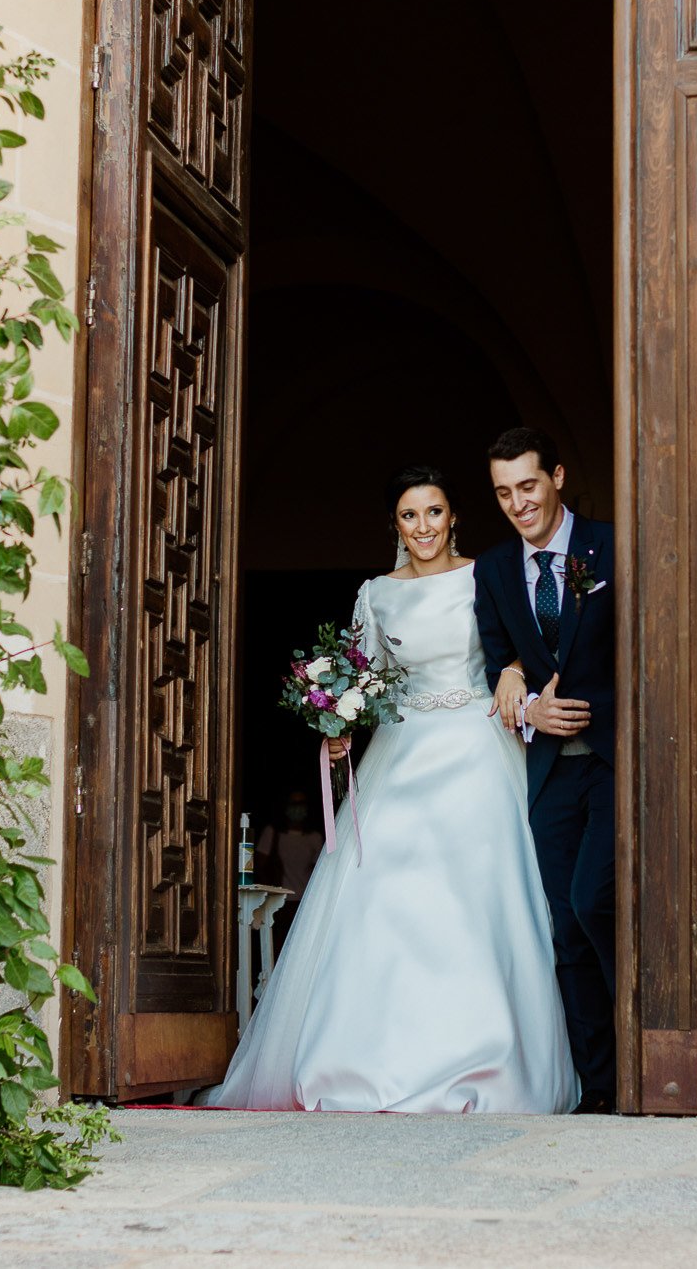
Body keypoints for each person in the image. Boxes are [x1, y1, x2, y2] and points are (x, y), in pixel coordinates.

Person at [202, 466, 577, 1113]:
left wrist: (515, 670)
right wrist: (340, 723)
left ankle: (488, 1060)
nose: (424, 526)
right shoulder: (375, 593)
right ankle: (367, 1059)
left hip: (477, 744)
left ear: (453, 515)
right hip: (402, 751)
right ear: (395, 525)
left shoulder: (485, 573)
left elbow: (524, 643)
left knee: (477, 897)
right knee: (388, 891)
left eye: (434, 511)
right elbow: (365, 677)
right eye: (410, 515)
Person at [474, 427, 618, 1113]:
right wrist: (530, 708)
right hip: (550, 771)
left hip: (616, 757)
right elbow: (498, 661)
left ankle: (646, 1053)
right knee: (564, 928)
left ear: (556, 475)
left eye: (527, 486)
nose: (518, 503)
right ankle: (604, 1087)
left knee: (598, 901)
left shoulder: (610, 545)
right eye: (504, 493)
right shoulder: (495, 570)